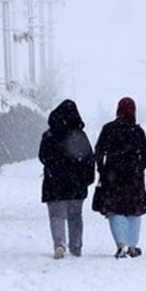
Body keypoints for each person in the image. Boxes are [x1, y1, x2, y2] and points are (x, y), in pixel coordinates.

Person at [93, 97, 146, 259]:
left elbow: (98, 151)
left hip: (112, 178)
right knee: (134, 211)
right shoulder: (138, 132)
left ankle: (121, 244)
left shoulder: (108, 129)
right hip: (134, 180)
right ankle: (132, 246)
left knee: (115, 210)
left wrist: (102, 169)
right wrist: (139, 169)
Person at [38, 99, 95, 259]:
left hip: (54, 182)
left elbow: (43, 156)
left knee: (56, 215)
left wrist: (54, 166)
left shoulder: (49, 135)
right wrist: (87, 179)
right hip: (76, 184)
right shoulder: (80, 136)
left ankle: (59, 244)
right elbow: (90, 159)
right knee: (75, 215)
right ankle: (76, 246)